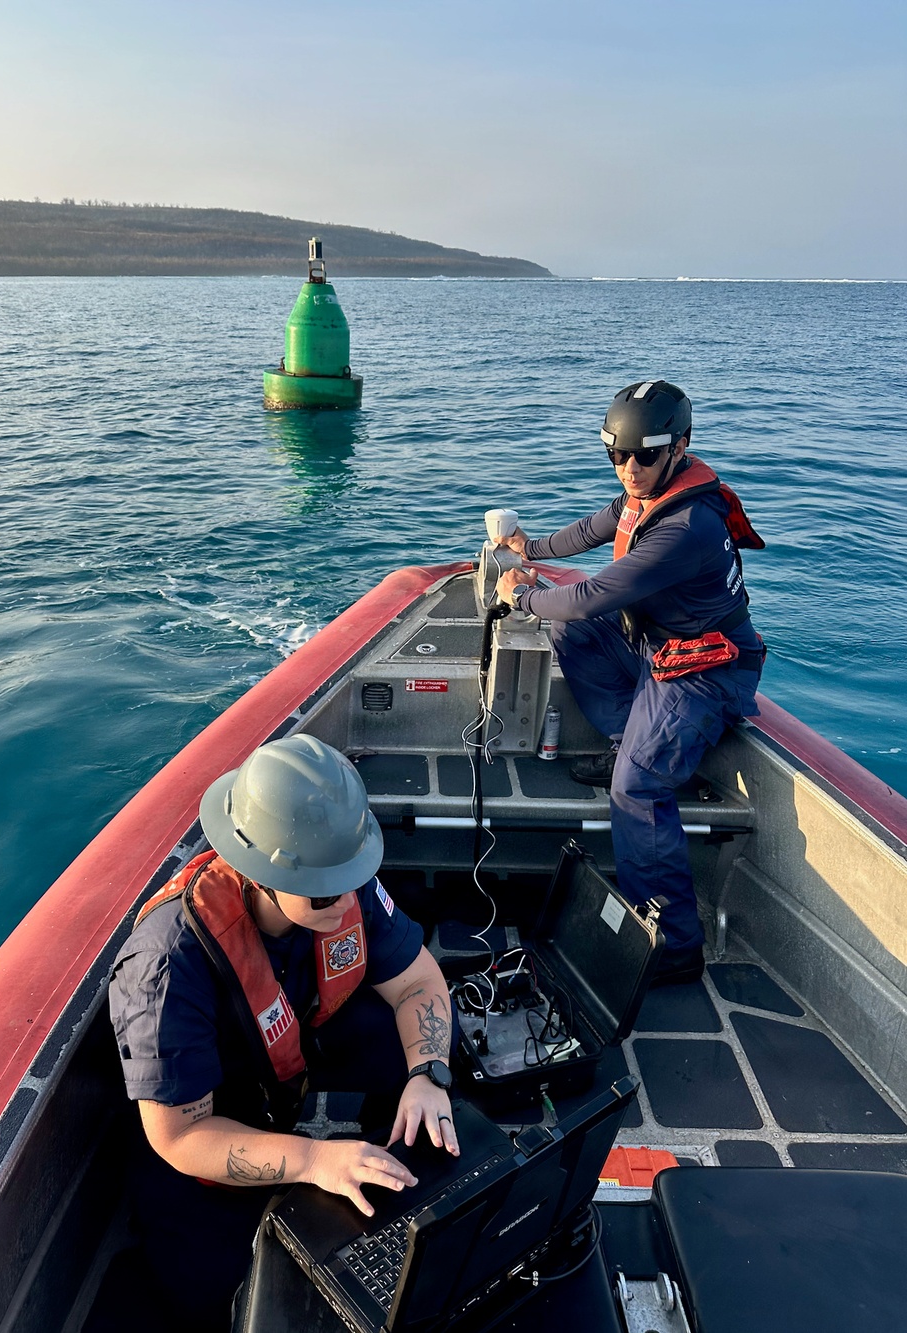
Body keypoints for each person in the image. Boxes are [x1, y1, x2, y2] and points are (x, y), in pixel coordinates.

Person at [109, 734, 458, 1329]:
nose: (348, 898)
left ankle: (389, 1170)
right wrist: (314, 1161)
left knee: (411, 1055)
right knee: (212, 1294)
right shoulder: (168, 965)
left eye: (355, 874)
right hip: (208, 1117)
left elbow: (419, 982)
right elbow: (177, 1136)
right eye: (328, 887)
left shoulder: (339, 888)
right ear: (260, 873)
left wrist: (428, 1075)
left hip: (294, 1050)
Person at [495, 380, 765, 984]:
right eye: (616, 455)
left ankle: (674, 948)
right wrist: (529, 548)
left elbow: (593, 594)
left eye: (645, 455)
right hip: (658, 653)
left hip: (705, 673)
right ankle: (632, 741)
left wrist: (525, 598)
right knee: (575, 636)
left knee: (637, 791)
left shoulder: (687, 526)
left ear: (681, 447)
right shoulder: (644, 495)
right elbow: (592, 529)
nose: (629, 469)